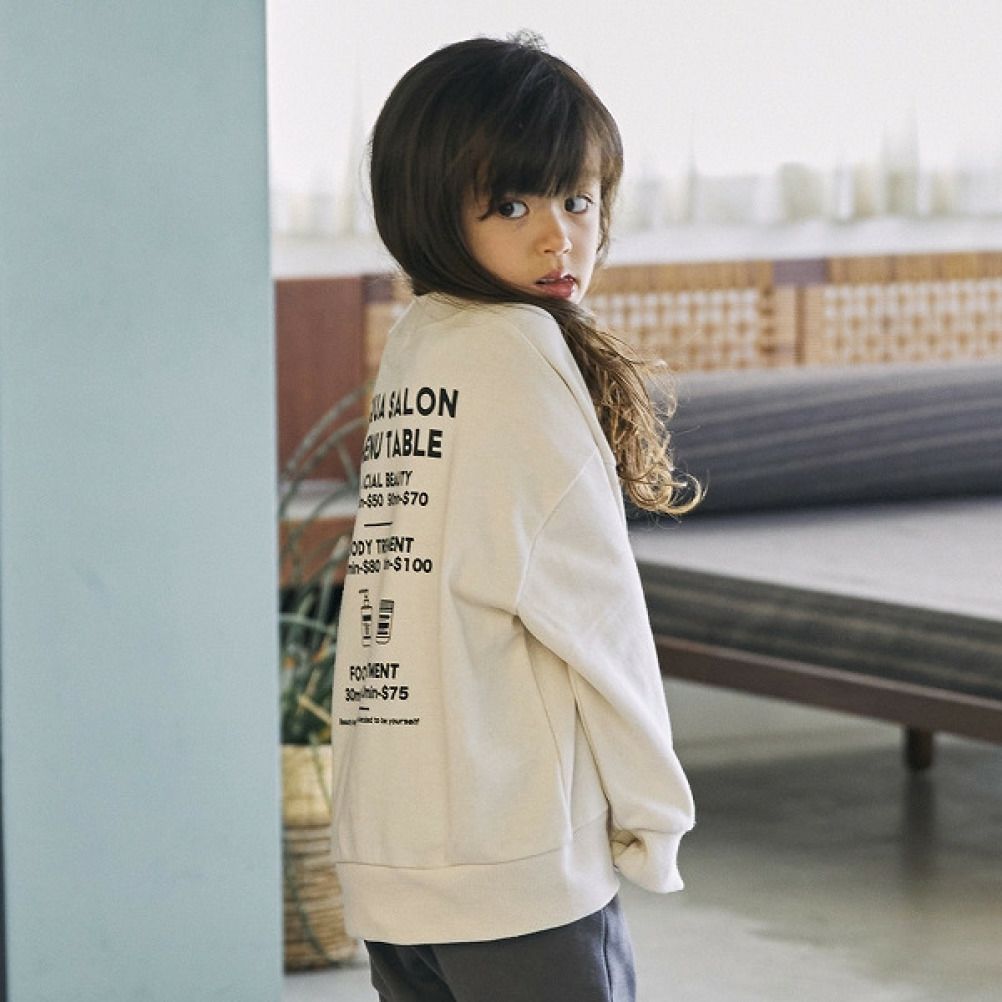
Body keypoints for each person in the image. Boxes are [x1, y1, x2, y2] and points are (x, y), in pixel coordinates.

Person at [331, 32, 699, 1002]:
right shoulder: (515, 352)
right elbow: (593, 614)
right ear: (429, 205)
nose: (558, 238)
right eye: (510, 204)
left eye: (578, 200)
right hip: (514, 862)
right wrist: (654, 811)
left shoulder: (423, 340)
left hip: (394, 852)